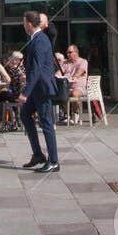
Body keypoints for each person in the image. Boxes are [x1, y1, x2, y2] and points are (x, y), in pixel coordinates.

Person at [17, 11, 60, 173]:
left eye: (23, 22)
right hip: (37, 89)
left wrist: (25, 93)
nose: (23, 25)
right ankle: (37, 154)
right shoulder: (34, 39)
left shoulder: (40, 40)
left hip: (42, 88)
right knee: (25, 115)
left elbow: (36, 69)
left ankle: (54, 161)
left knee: (47, 124)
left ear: (29, 23)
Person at [63, 44, 90, 123]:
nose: (68, 54)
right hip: (68, 87)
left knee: (75, 94)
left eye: (70, 52)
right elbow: (58, 73)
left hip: (79, 87)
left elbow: (79, 72)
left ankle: (75, 112)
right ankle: (68, 114)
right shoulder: (65, 63)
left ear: (76, 52)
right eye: (67, 52)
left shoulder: (83, 61)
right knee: (61, 94)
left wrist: (73, 77)